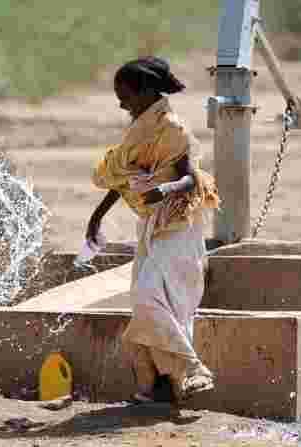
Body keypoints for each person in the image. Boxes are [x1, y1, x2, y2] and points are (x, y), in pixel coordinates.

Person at [87, 57, 221, 404]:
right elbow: (127, 178)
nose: (121, 103)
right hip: (149, 224)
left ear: (146, 91)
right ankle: (158, 386)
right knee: (147, 304)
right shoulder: (139, 130)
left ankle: (193, 370)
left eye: (126, 95)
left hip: (177, 223)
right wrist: (97, 216)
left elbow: (191, 177)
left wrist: (165, 189)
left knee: (151, 298)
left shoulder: (172, 128)